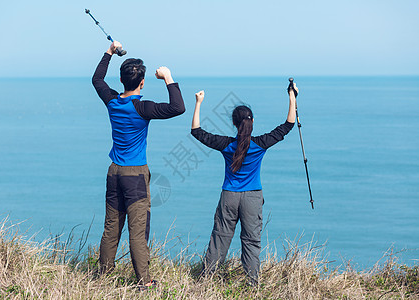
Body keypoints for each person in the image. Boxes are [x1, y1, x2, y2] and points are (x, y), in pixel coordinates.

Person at [92, 41, 185, 288]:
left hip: (114, 172)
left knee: (112, 226)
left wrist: (109, 52)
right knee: (137, 229)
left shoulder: (112, 101)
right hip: (135, 175)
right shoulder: (143, 108)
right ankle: (144, 282)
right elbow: (178, 107)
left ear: (122, 81)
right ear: (142, 83)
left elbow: (97, 80)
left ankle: (103, 277)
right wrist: (168, 77)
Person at [190, 84, 298, 284]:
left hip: (229, 196)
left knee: (220, 238)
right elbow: (288, 125)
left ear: (234, 123)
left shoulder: (226, 145)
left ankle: (206, 281)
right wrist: (292, 97)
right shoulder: (260, 143)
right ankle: (252, 284)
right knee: (251, 242)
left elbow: (196, 131)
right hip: (252, 198)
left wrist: (198, 103)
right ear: (252, 122)